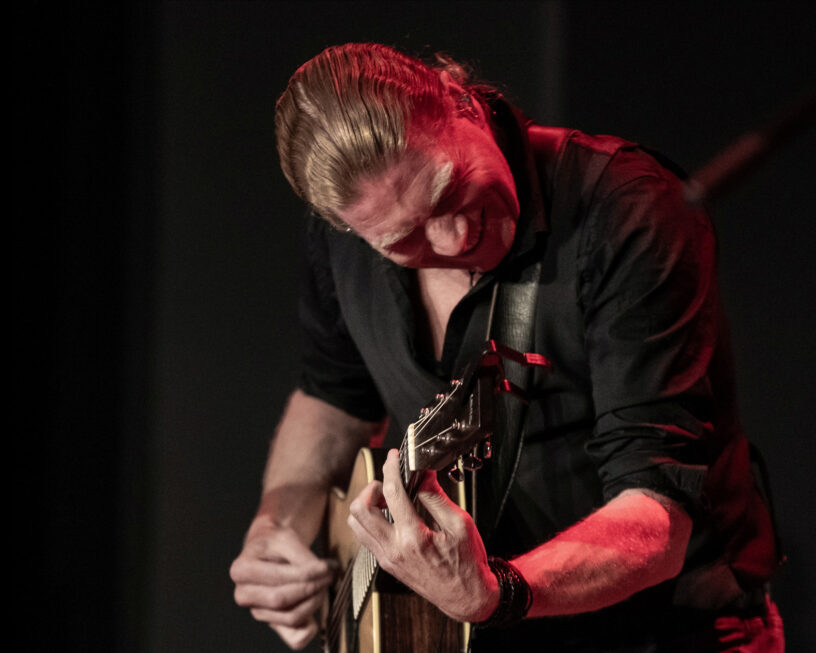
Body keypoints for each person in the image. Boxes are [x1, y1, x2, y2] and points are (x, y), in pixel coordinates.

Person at [230, 42, 784, 652]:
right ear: (348, 229)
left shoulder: (628, 209)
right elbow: (332, 399)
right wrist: (274, 528)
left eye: (451, 187)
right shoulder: (341, 241)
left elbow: (661, 515)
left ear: (461, 99)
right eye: (404, 240)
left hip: (669, 633)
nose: (457, 234)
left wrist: (499, 592)